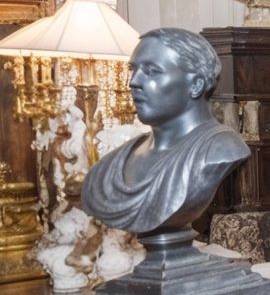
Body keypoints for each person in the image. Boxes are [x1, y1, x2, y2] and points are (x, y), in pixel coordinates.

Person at [80, 29, 250, 237]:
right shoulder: (110, 165)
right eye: (133, 70)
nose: (134, 82)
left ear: (195, 85)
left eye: (152, 71)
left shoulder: (221, 148)